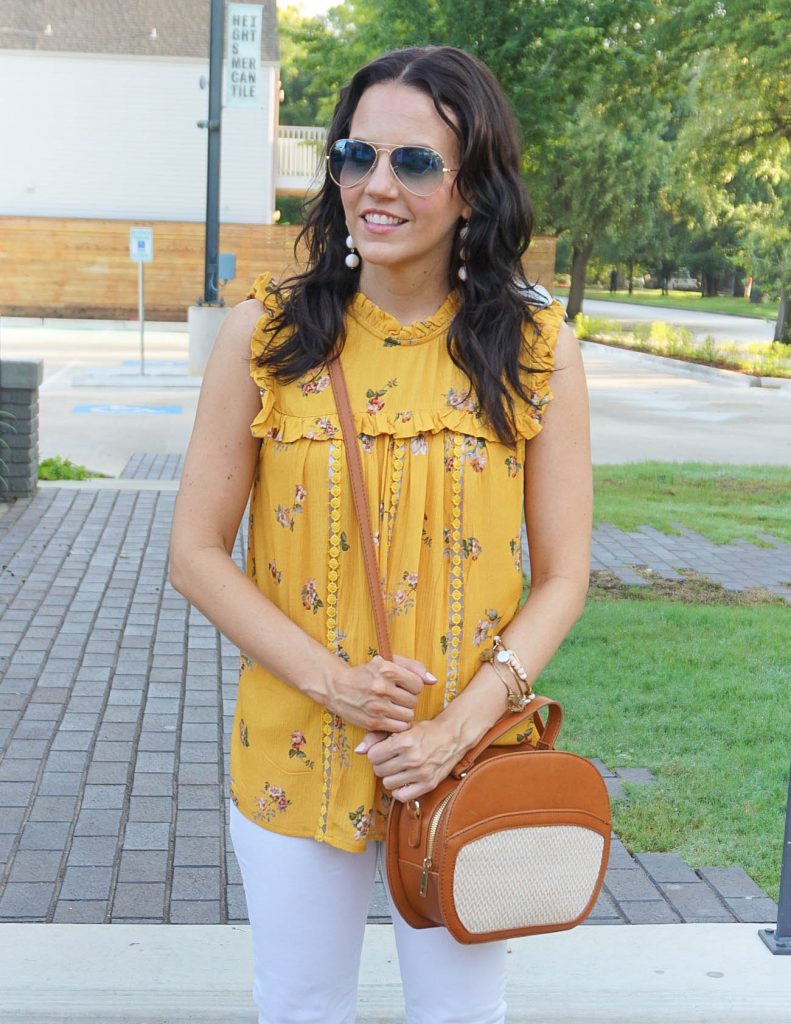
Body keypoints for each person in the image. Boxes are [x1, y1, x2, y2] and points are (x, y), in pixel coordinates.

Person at [169, 45, 591, 1024]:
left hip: (463, 760)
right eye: (356, 156)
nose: (374, 185)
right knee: (301, 1003)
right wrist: (335, 683)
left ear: (472, 189)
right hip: (293, 748)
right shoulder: (266, 337)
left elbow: (565, 574)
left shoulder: (535, 352)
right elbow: (194, 551)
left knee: (457, 1012)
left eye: (413, 162)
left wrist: (456, 725)